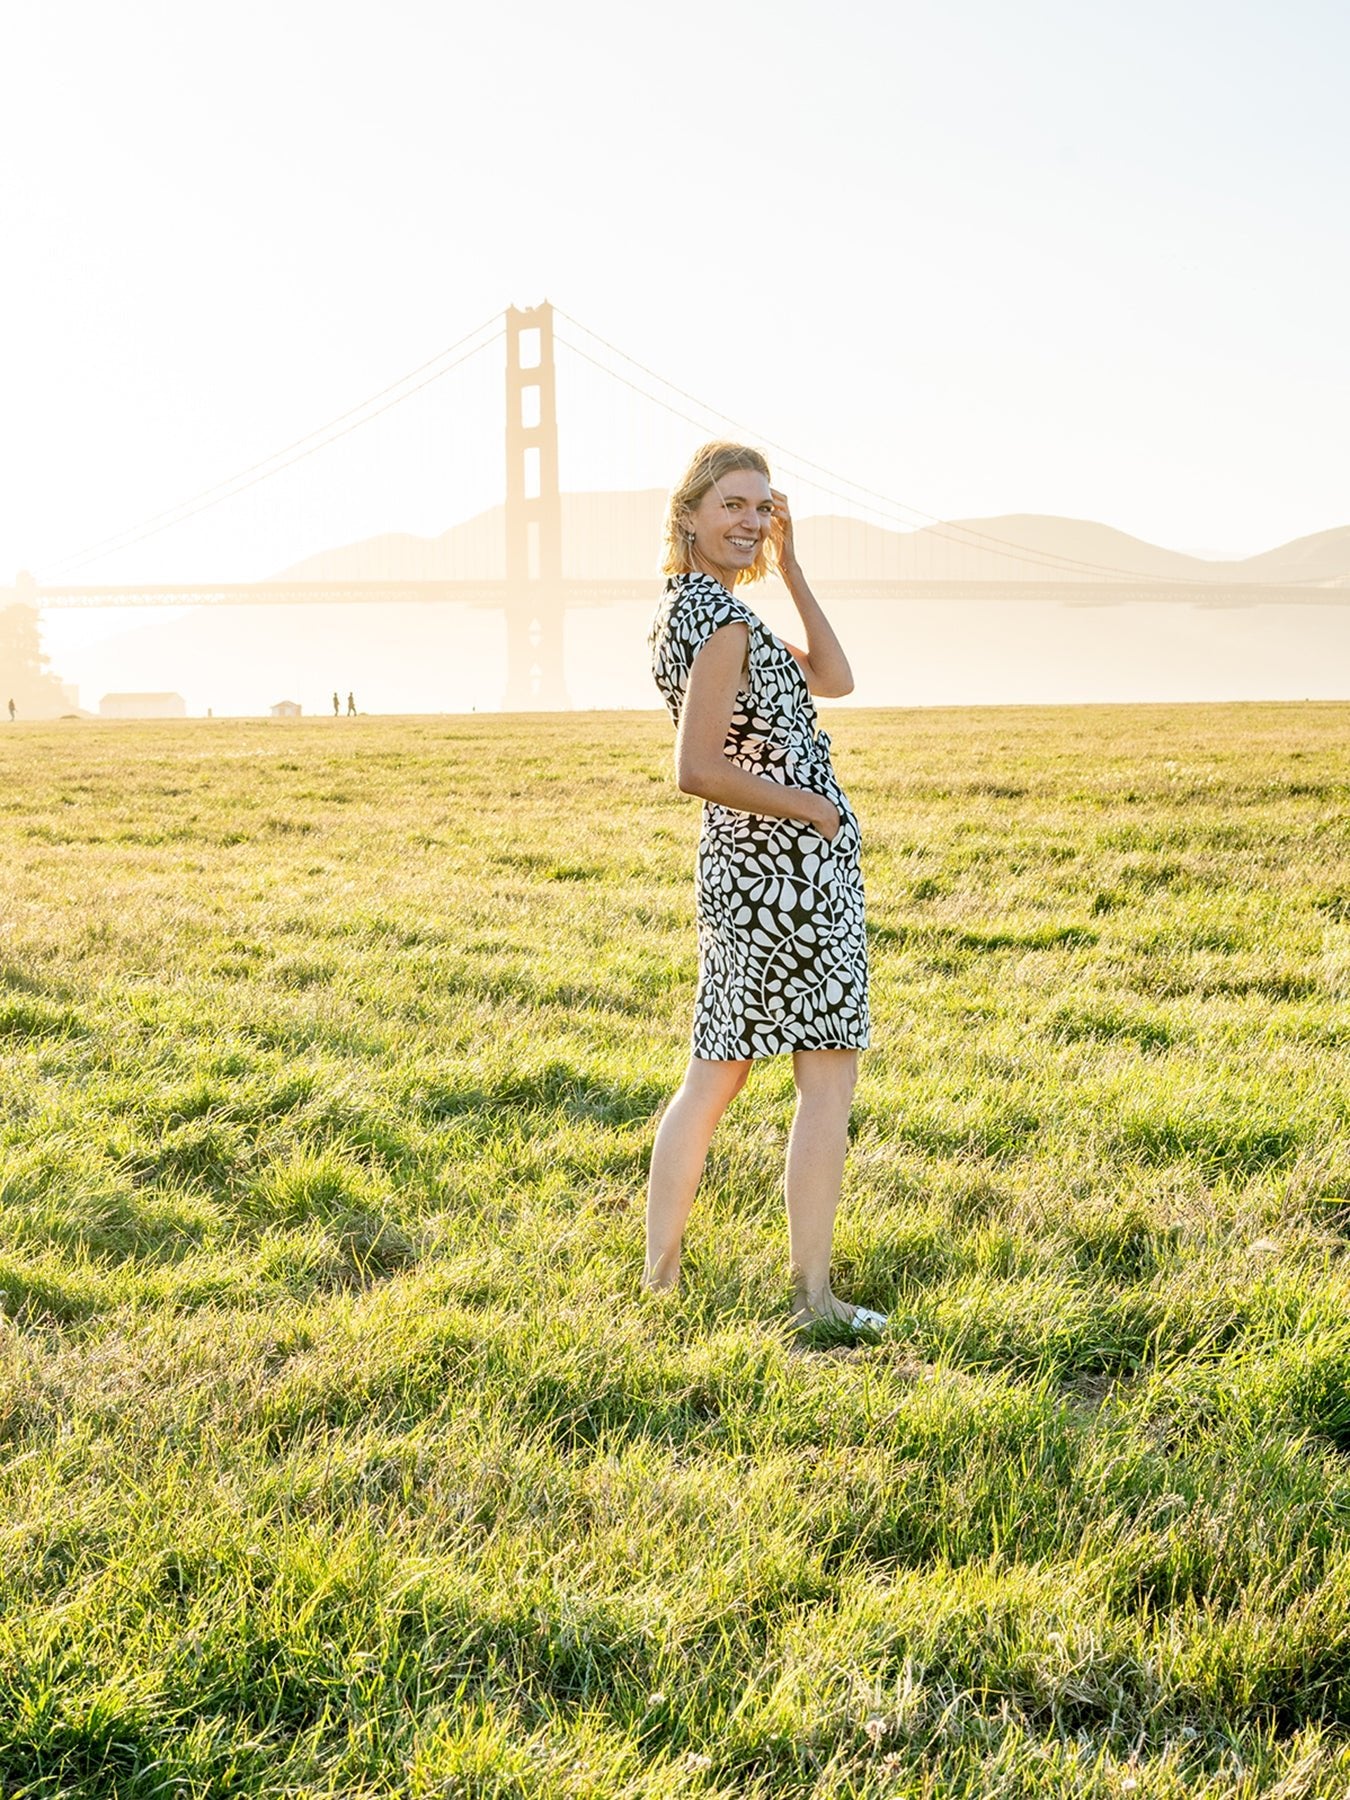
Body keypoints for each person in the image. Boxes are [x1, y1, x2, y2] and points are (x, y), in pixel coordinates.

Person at [647, 442, 885, 1336]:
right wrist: (814, 812)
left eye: (762, 508)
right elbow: (697, 767)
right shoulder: (722, 624)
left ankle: (660, 1285)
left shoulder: (700, 611)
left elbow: (836, 677)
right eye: (732, 506)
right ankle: (814, 1300)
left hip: (744, 872)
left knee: (714, 1074)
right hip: (785, 871)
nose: (748, 522)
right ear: (691, 516)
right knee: (825, 1079)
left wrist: (794, 571)